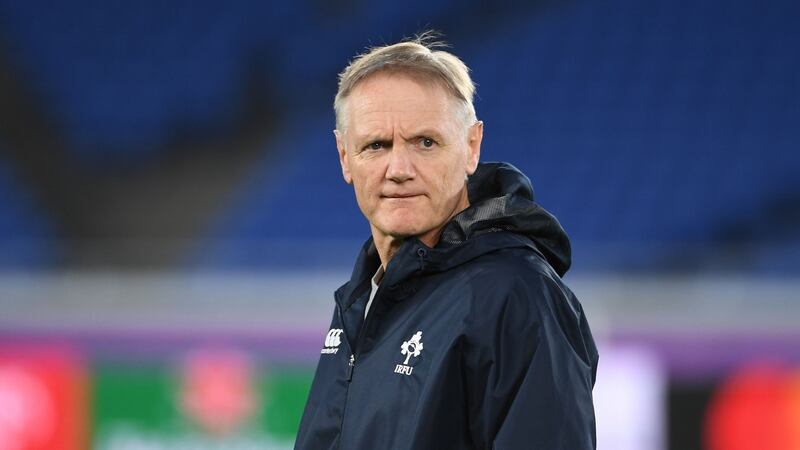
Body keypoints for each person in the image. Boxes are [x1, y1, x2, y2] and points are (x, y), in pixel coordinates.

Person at [295, 33, 598, 450]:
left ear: (471, 147)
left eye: (425, 142)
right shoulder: (363, 297)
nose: (399, 168)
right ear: (345, 156)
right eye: (376, 145)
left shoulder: (516, 296)